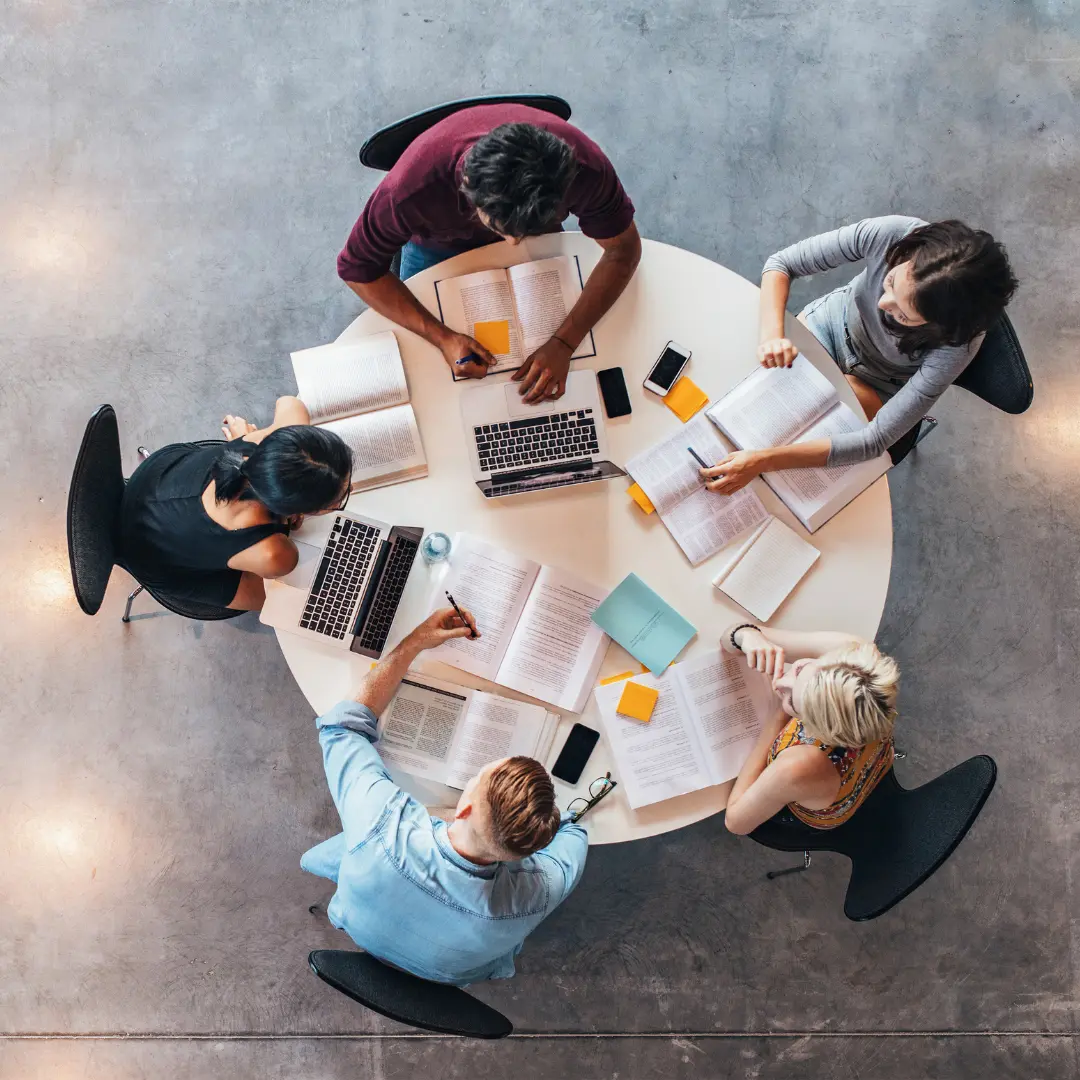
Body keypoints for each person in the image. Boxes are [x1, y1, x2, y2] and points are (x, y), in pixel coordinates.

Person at [301, 607, 588, 986]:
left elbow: (342, 728)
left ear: (463, 809)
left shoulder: (382, 825)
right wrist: (552, 821)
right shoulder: (536, 894)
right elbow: (574, 836)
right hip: (447, 975)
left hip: (358, 924)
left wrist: (414, 642)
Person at [338, 103, 641, 403]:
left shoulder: (584, 167)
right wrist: (441, 337)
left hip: (537, 237)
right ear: (467, 186)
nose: (513, 244)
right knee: (430, 374)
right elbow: (356, 269)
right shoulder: (409, 192)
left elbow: (623, 250)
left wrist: (564, 342)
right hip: (436, 246)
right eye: (501, 227)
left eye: (524, 231)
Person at [700, 217, 1019, 495]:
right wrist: (772, 335)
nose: (882, 304)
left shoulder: (958, 344)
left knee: (795, 445)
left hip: (880, 382)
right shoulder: (894, 233)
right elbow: (782, 264)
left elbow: (874, 441)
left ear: (940, 328)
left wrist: (763, 461)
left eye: (903, 315)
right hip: (828, 328)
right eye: (890, 282)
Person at [119, 397, 352, 611]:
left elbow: (290, 403)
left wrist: (259, 436)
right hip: (151, 559)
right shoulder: (276, 554)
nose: (351, 490)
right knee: (283, 603)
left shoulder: (261, 441)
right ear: (299, 510)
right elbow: (278, 561)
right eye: (339, 501)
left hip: (154, 480)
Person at [720, 623, 899, 835]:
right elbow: (730, 636)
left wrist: (777, 715)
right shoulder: (852, 652)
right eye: (799, 669)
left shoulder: (798, 765)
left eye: (792, 703)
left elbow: (735, 822)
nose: (780, 683)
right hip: (875, 760)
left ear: (815, 729)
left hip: (822, 807)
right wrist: (746, 636)